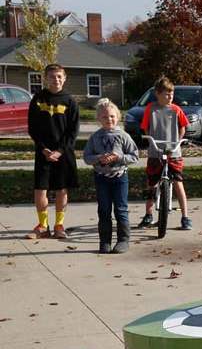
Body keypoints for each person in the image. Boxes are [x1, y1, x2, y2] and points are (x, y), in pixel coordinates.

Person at [25, 63, 80, 239]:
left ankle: (59, 225)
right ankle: (42, 226)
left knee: (61, 190)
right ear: (45, 79)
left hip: (63, 154)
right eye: (52, 76)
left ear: (64, 78)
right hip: (43, 153)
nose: (55, 79)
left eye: (59, 76)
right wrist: (44, 149)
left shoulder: (70, 101)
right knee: (40, 190)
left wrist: (60, 151)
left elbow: (73, 131)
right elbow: (32, 128)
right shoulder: (38, 99)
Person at [83, 99, 138, 254]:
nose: (109, 120)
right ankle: (105, 241)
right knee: (104, 209)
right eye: (105, 117)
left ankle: (123, 240)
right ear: (99, 119)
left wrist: (118, 157)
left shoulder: (123, 136)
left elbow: (134, 156)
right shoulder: (95, 137)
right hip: (101, 178)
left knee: (121, 209)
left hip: (120, 178)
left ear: (118, 117)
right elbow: (87, 157)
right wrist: (99, 158)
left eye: (112, 116)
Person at [137, 76, 192, 230]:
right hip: (156, 151)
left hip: (174, 152)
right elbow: (146, 127)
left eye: (172, 94)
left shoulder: (176, 109)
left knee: (178, 183)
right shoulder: (150, 109)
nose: (170, 97)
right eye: (166, 94)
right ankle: (148, 214)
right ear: (158, 94)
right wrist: (150, 139)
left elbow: (183, 127)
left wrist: (178, 140)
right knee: (152, 183)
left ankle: (185, 217)